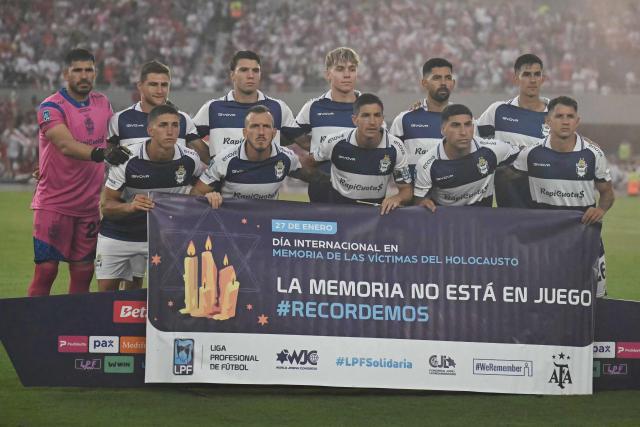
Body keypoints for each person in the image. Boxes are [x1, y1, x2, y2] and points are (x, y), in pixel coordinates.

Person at [28, 48, 130, 297]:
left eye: (89, 70)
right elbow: (65, 145)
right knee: (47, 270)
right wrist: (101, 154)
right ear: (66, 73)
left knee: (84, 271)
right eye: (77, 70)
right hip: (54, 205)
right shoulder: (51, 106)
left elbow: (115, 136)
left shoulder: (102, 102)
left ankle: (73, 331)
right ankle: (32, 329)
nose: (84, 76)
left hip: (88, 206)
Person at [511, 96, 614, 297]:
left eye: (570, 116)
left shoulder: (593, 154)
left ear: (577, 121)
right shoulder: (530, 155)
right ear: (547, 121)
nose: (565, 121)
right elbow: (507, 179)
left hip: (586, 238)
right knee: (546, 298)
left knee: (596, 300)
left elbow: (607, 193)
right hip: (545, 242)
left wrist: (600, 209)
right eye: (559, 116)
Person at [97, 104, 204, 291]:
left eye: (175, 125)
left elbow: (201, 188)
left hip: (161, 237)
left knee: (153, 293)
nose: (170, 131)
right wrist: (130, 207)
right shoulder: (127, 159)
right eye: (163, 125)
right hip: (120, 234)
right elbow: (106, 206)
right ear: (150, 130)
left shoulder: (190, 159)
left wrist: (209, 195)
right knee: (106, 295)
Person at [191, 105, 317, 206]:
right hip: (232, 228)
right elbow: (196, 194)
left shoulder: (287, 157)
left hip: (267, 228)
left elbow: (316, 177)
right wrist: (208, 197)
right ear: (245, 133)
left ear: (274, 133)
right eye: (255, 126)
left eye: (266, 127)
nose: (261, 132)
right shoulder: (224, 160)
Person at [311, 93, 412, 215]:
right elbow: (307, 163)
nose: (372, 122)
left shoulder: (395, 147)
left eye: (377, 115)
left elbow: (406, 190)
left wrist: (397, 198)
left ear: (382, 119)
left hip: (372, 218)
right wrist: (320, 185)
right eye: (366, 116)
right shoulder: (335, 142)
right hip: (337, 214)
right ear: (355, 120)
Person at [192, 50, 298, 159]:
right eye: (244, 70)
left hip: (265, 176)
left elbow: (299, 139)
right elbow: (189, 136)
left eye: (255, 71)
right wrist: (212, 162)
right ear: (232, 75)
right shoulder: (213, 108)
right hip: (223, 176)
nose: (251, 75)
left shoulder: (278, 107)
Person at [414, 104, 519, 211]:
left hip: (482, 223)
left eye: (468, 124)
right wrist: (422, 202)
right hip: (447, 223)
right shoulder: (427, 164)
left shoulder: (492, 150)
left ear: (473, 128)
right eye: (455, 125)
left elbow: (524, 154)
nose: (463, 132)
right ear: (442, 129)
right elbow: (418, 200)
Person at [476, 54, 549, 207]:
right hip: (509, 200)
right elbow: (470, 138)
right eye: (527, 74)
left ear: (543, 78)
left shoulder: (555, 114)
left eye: (537, 74)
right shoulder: (498, 111)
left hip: (547, 199)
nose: (533, 80)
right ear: (516, 78)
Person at [293, 47, 362, 202]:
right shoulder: (313, 107)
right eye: (340, 69)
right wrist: (316, 147)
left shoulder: (368, 107)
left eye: (352, 69)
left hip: (360, 196)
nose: (347, 74)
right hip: (322, 194)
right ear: (328, 74)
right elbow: (291, 134)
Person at [107, 60, 208, 162]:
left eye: (164, 85)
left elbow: (208, 159)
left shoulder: (183, 119)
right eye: (153, 84)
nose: (159, 91)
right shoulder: (119, 119)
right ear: (140, 86)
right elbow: (105, 159)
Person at [390, 58, 455, 179]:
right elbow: (390, 159)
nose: (443, 82)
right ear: (424, 83)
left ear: (453, 83)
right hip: (414, 196)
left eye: (448, 78)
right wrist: (405, 188)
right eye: (436, 78)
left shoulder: (465, 120)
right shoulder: (405, 119)